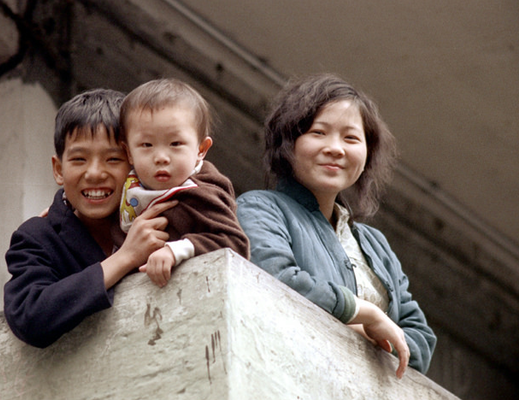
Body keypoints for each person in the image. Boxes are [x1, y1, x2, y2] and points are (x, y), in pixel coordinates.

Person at [236, 73, 436, 378]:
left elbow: (420, 341)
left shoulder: (376, 244)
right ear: (288, 144)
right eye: (318, 132)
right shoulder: (260, 209)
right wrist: (361, 312)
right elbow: (274, 280)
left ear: (367, 154)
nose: (335, 148)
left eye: (351, 138)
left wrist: (370, 336)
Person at [4, 89, 176, 348]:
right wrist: (126, 257)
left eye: (113, 159)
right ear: (59, 170)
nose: (95, 173)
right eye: (79, 159)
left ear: (135, 163)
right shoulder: (39, 236)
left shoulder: (165, 213)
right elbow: (30, 315)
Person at [117, 78, 249, 288]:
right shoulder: (131, 186)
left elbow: (235, 244)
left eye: (175, 144)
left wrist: (177, 250)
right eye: (147, 144)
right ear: (128, 153)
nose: (161, 157)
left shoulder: (202, 194)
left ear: (201, 149)